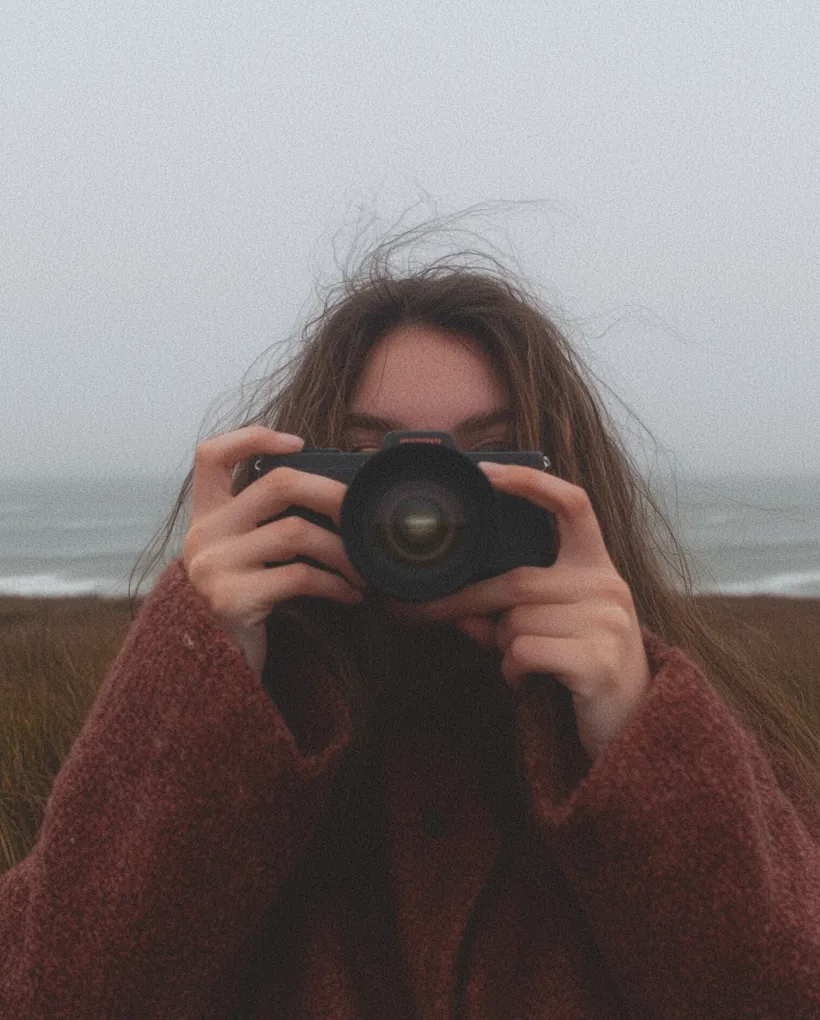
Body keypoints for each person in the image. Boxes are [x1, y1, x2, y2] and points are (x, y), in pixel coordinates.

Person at [1, 248, 819, 1019]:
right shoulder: (221, 756)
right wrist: (195, 676)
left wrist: (639, 741)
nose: (426, 505)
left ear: (572, 487)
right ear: (293, 480)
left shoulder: (703, 771)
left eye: (489, 459)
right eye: (371, 458)